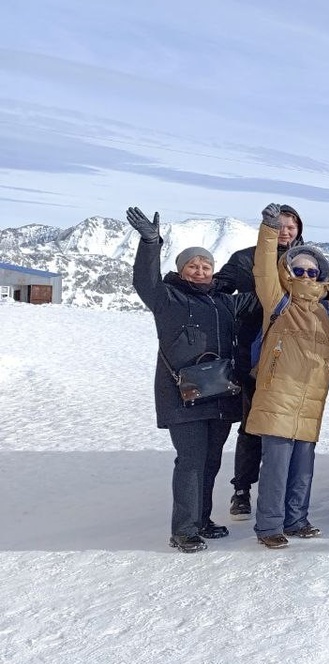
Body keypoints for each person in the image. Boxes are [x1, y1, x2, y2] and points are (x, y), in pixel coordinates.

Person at [128, 207, 255, 553]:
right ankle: (183, 529)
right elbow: (145, 281)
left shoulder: (224, 302)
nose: (200, 270)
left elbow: (266, 299)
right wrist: (150, 243)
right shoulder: (168, 298)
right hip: (182, 396)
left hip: (221, 393)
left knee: (211, 461)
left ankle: (201, 519)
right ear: (181, 270)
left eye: (205, 266)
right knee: (191, 460)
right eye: (192, 265)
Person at [247, 204, 329, 549]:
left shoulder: (328, 308)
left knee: (303, 465)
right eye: (299, 270)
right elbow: (264, 270)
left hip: (312, 395)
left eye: (313, 271)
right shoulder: (279, 301)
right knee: (276, 466)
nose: (306, 276)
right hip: (279, 392)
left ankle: (296, 519)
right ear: (289, 272)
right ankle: (269, 526)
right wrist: (268, 231)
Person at [213, 203, 305, 521]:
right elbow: (218, 295)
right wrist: (252, 302)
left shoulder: (304, 261)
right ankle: (242, 491)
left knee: (288, 430)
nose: (286, 231)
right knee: (253, 426)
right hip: (254, 354)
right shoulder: (244, 259)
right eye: (279, 225)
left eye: (291, 226)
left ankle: (281, 493)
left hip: (295, 360)